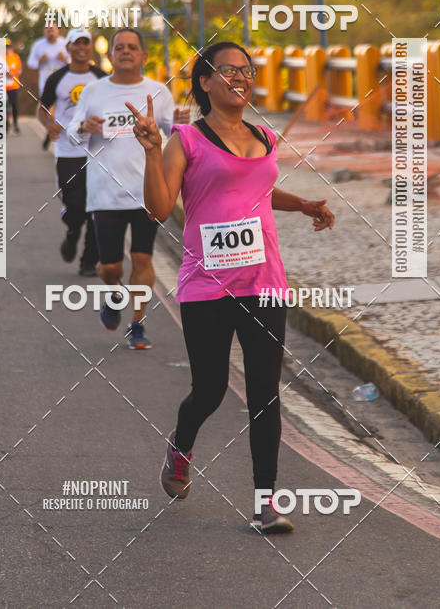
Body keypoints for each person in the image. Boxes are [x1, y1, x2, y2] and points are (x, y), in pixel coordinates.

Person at [127, 40, 335, 533]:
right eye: (228, 71)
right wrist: (153, 152)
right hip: (206, 286)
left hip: (264, 281)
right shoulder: (187, 140)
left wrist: (302, 204)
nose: (240, 77)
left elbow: (258, 189)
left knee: (265, 392)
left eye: (247, 70)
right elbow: (159, 208)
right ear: (205, 82)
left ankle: (266, 502)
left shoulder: (264, 136)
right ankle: (180, 446)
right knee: (211, 389)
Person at [67, 28, 189, 349]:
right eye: (119, 47)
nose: (125, 52)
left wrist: (182, 123)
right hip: (105, 192)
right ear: (110, 56)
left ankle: (137, 325)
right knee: (110, 267)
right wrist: (84, 126)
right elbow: (70, 133)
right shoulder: (93, 91)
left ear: (143, 56)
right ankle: (114, 293)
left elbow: (173, 134)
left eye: (132, 47)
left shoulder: (158, 92)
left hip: (146, 190)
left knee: (142, 258)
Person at [38, 29, 105, 276]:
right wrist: (48, 125)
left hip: (97, 151)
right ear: (68, 48)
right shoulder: (57, 78)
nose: (81, 48)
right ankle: (72, 232)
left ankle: (89, 262)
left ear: (90, 47)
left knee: (97, 208)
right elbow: (42, 109)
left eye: (85, 43)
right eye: (76, 43)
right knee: (76, 206)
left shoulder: (101, 77)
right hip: (67, 151)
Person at [27, 23, 68, 150]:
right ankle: (50, 130)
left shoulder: (65, 44)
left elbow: (75, 62)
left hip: (63, 83)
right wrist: (40, 61)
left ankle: (56, 135)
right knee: (46, 111)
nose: (50, 31)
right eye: (47, 29)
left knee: (61, 110)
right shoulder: (38, 45)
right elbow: (30, 63)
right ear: (44, 32)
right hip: (45, 84)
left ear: (57, 31)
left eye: (52, 29)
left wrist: (65, 60)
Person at [5, 39, 22, 134]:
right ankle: (6, 124)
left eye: (8, 47)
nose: (7, 49)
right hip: (3, 86)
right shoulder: (1, 58)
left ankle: (15, 124)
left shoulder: (16, 57)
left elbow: (19, 70)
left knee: (14, 105)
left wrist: (13, 74)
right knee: (5, 106)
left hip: (14, 85)